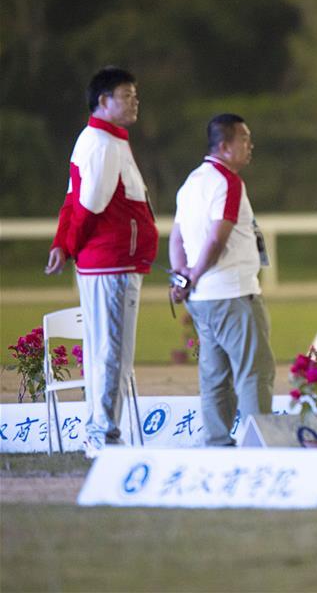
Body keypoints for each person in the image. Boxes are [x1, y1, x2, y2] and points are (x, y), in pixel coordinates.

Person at [45, 67, 158, 457]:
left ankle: (97, 430)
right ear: (103, 101)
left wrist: (63, 244)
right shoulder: (105, 143)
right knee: (113, 353)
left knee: (100, 350)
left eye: (135, 94)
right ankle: (103, 435)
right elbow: (89, 204)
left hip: (105, 263)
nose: (134, 101)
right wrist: (70, 245)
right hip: (112, 263)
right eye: (127, 95)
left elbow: (71, 201)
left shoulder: (97, 139)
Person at [168, 114, 275, 446]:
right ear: (225, 146)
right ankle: (260, 445)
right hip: (233, 293)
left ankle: (216, 443)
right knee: (254, 372)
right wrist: (195, 274)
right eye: (245, 139)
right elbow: (217, 238)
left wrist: (182, 278)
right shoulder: (227, 181)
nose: (250, 146)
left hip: (202, 299)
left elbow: (176, 237)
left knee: (214, 376)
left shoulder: (191, 182)